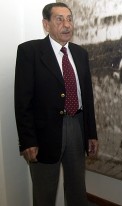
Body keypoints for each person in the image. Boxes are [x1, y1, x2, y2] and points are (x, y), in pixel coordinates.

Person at [14, 3, 98, 206]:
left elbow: (87, 97)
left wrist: (91, 133)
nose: (66, 24)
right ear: (46, 24)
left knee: (78, 192)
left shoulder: (80, 54)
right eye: (59, 19)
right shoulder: (29, 52)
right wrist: (27, 140)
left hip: (77, 126)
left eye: (69, 19)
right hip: (44, 135)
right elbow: (22, 101)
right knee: (44, 195)